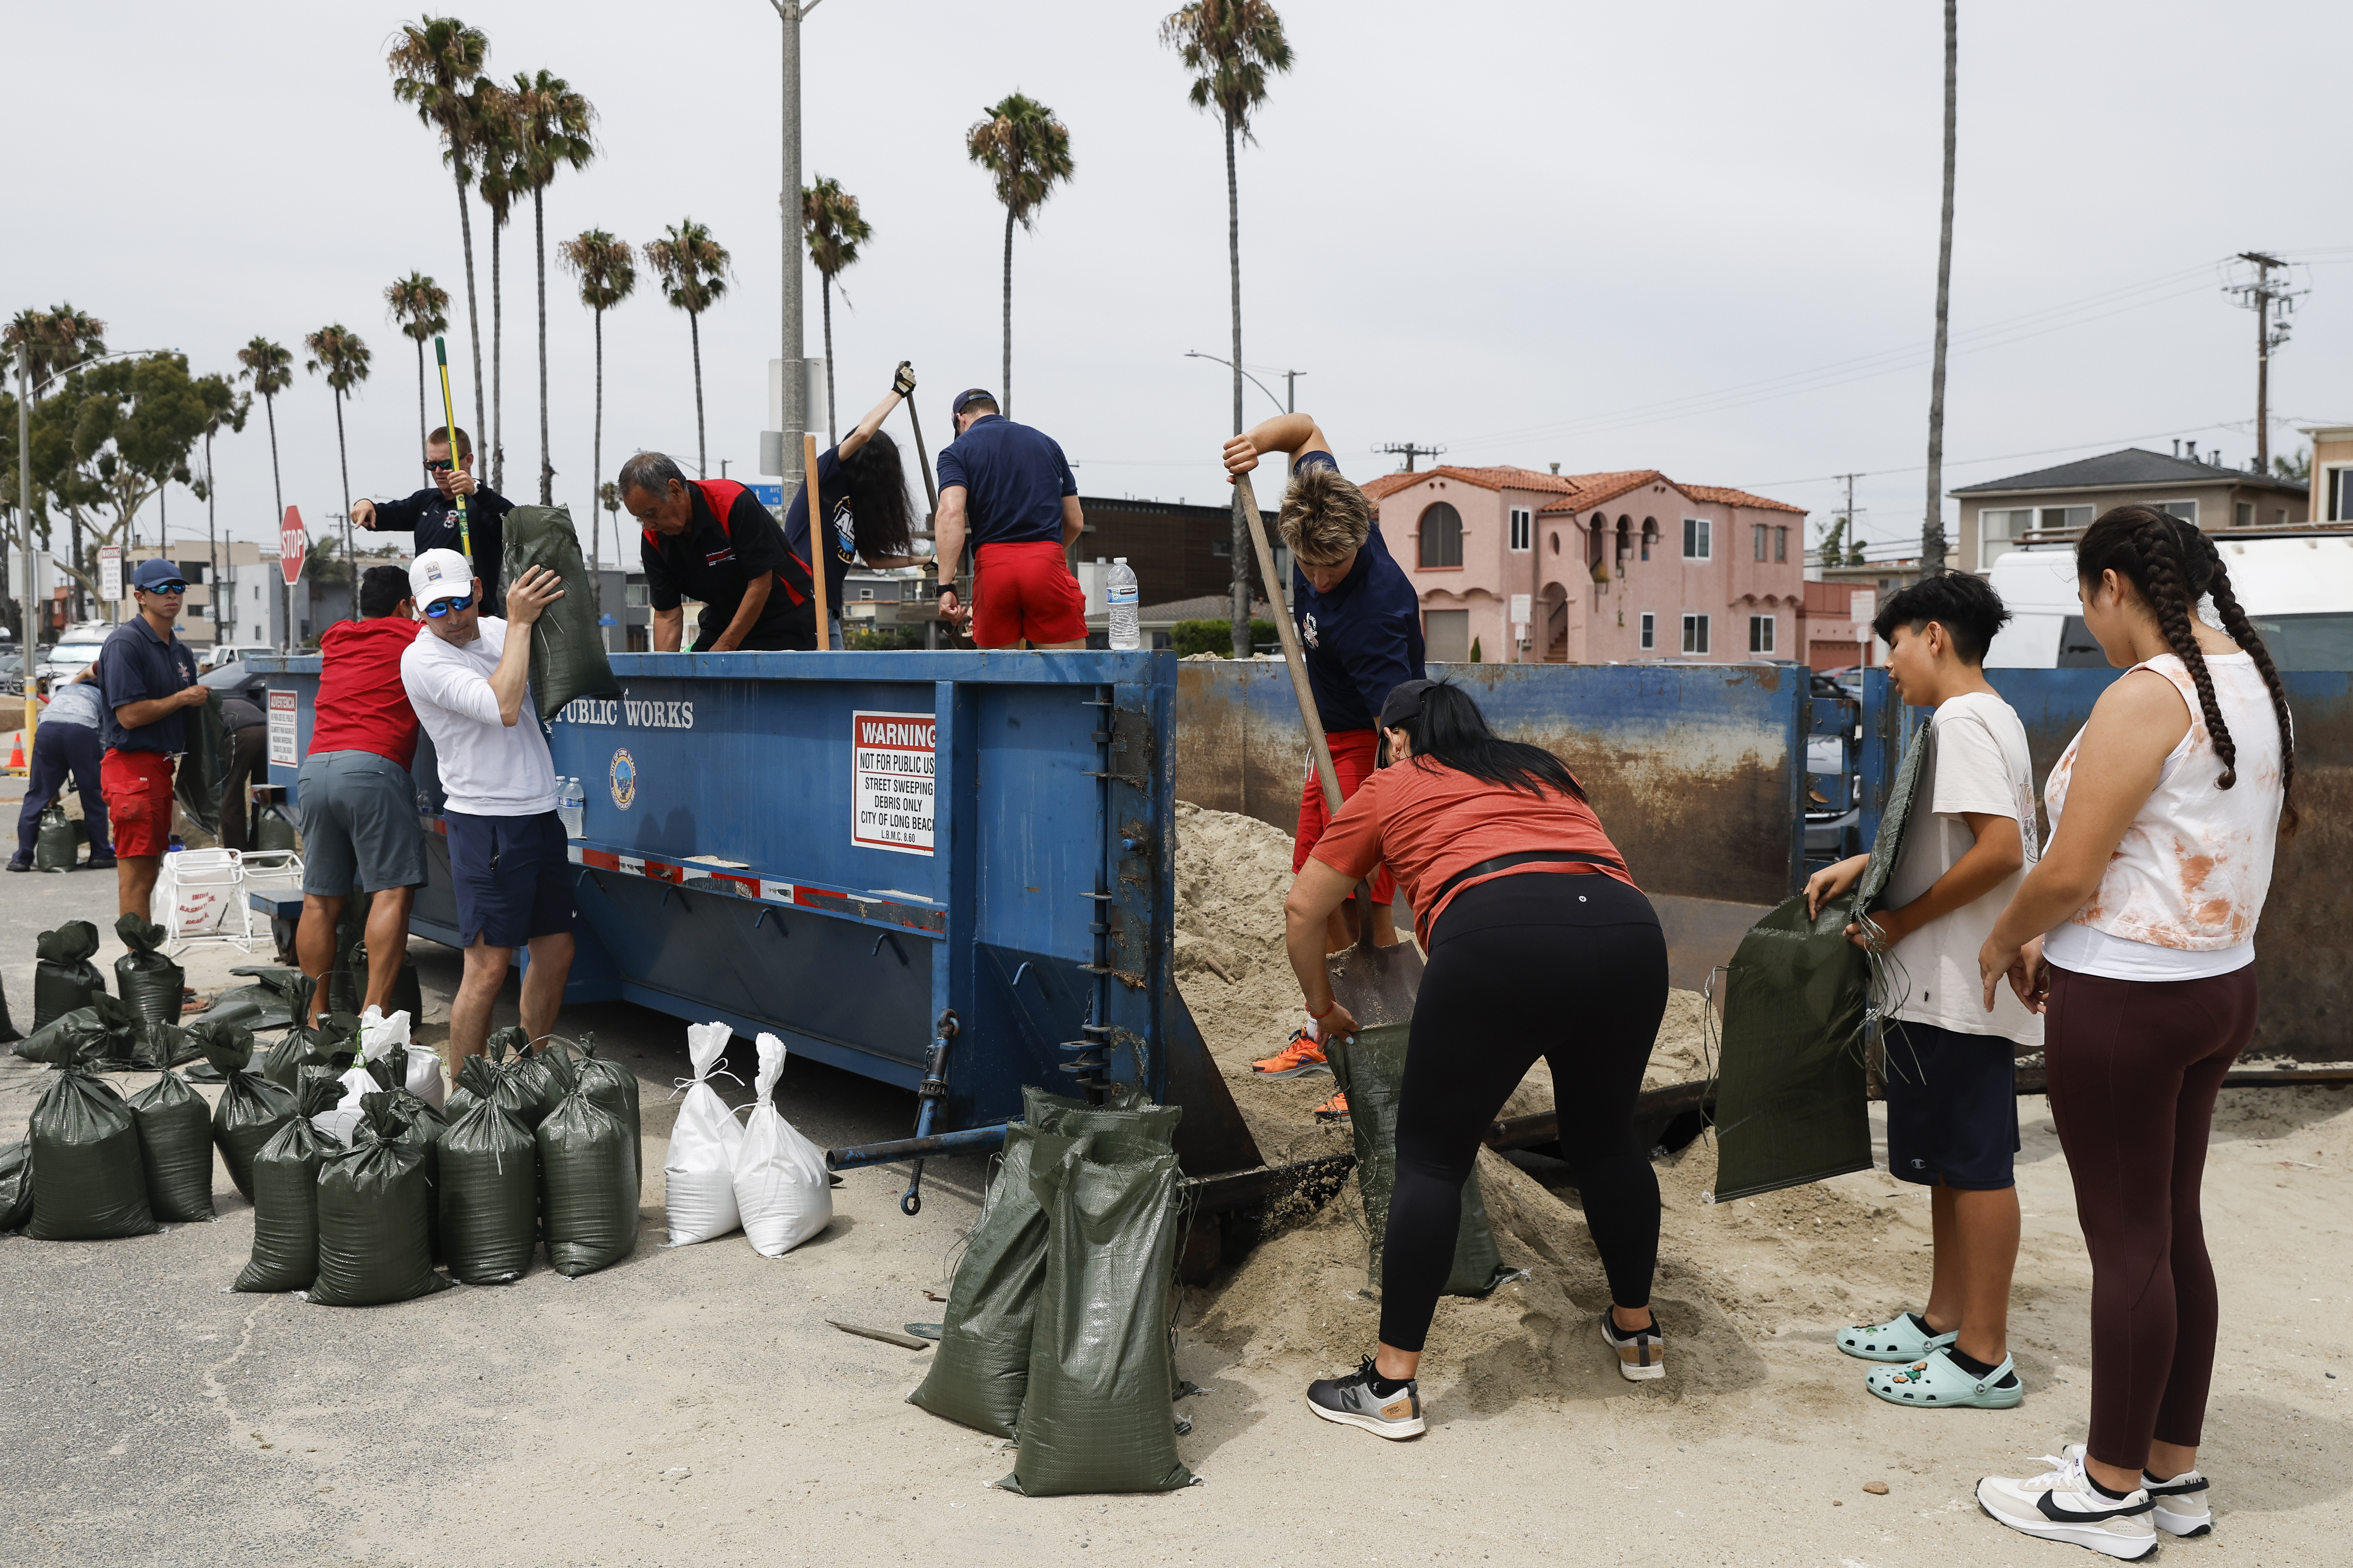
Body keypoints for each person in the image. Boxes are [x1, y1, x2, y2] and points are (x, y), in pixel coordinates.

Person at [1973, 508, 2294, 1559]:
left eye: (2083, 598)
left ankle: (2106, 1490)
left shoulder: (2145, 695)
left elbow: (2068, 870)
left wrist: (2003, 939)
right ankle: (2169, 1469)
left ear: (2114, 583)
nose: (2088, 621)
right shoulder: (2249, 676)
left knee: (2126, 1247)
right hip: (2218, 985)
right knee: (2169, 1233)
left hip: (2128, 998)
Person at [1286, 680, 1667, 1440]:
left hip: (1496, 935)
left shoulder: (1394, 782)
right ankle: (1638, 1332)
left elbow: (1305, 907)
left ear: (1396, 737)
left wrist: (1324, 1007)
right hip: (1628, 932)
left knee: (1432, 1159)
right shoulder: (1544, 769)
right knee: (1606, 1139)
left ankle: (1391, 1387)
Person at [1804, 572, 2040, 1411]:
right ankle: (1945, 1317)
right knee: (1949, 1161)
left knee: (1976, 1165)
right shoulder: (1991, 716)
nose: (1889, 664)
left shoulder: (1962, 722)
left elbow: (2001, 850)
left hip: (1952, 979)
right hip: (1939, 983)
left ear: (1933, 635)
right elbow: (1947, 840)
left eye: (1894, 645)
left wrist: (1897, 924)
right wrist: (1865, 865)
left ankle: (1983, 1358)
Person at [1223, 413, 1426, 1112]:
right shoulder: (1321, 502)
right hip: (1326, 738)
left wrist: (1393, 797)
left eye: (1328, 566)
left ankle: (1374, 1040)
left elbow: (1397, 725)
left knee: (1365, 896)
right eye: (1305, 564)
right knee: (1319, 886)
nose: (1315, 576)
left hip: (1372, 746)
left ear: (1360, 539)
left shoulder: (1374, 610)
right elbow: (1305, 429)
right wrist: (1258, 442)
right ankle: (1322, 1031)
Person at [398, 548, 575, 1074]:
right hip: (486, 821)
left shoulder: (500, 628)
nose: (452, 618)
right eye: (436, 608)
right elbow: (502, 705)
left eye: (459, 601)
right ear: (415, 609)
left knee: (556, 948)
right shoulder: (424, 659)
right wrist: (519, 625)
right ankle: (467, 1099)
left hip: (540, 812)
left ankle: (530, 1069)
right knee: (487, 967)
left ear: (477, 589)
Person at [624, 368, 920, 652]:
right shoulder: (825, 473)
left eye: (651, 514)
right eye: (641, 518)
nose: (649, 525)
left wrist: (930, 560)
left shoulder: (735, 503)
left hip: (792, 612)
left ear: (676, 490)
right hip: (737, 615)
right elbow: (667, 614)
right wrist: (897, 392)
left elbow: (873, 559)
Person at [294, 565, 427, 1028]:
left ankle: (317, 1019)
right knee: (390, 894)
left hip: (315, 771)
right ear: (404, 606)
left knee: (319, 901)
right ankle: (375, 1019)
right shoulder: (414, 636)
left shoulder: (336, 638)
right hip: (372, 768)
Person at [931, 388, 1088, 649]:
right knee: (1068, 678)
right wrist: (1044, 557)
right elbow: (1074, 521)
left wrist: (946, 586)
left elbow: (950, 514)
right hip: (1045, 561)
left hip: (994, 568)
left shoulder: (956, 451)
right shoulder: (1047, 444)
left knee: (998, 681)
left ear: (961, 419)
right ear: (994, 410)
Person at [95, 558, 207, 917]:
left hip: (160, 769)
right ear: (140, 596)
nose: (172, 595)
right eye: (161, 589)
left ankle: (143, 957)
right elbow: (128, 716)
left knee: (152, 873)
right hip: (131, 770)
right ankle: (139, 965)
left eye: (178, 587)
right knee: (137, 880)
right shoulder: (125, 644)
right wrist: (182, 698)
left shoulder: (180, 650)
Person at [352, 424, 512, 613]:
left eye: (446, 464)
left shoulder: (484, 504)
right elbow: (379, 516)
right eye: (431, 465)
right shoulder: (424, 501)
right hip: (432, 614)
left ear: (468, 460)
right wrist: (364, 503)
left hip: (476, 614)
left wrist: (476, 491)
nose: (438, 471)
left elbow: (514, 520)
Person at [8, 663, 112, 872]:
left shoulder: (66, 691)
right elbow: (102, 739)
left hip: (48, 730)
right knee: (93, 796)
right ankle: (100, 854)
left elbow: (46, 720)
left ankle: (22, 858)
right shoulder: (104, 698)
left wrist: (52, 789)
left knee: (37, 795)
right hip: (82, 732)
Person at [215, 685, 268, 852]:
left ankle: (237, 852)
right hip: (269, 732)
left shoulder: (201, 713)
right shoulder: (231, 703)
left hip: (242, 734)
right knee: (264, 793)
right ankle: (263, 848)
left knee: (231, 794)